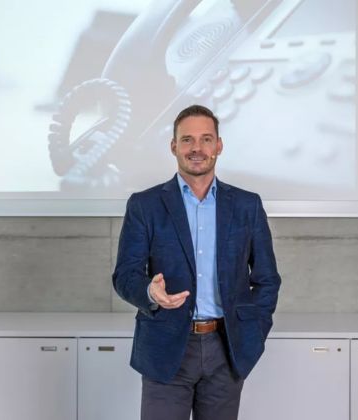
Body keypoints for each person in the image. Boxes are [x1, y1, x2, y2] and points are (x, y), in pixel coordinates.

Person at [113, 104, 281, 420]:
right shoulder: (145, 205)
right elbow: (125, 275)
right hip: (165, 347)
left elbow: (267, 278)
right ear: (173, 146)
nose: (197, 148)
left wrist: (254, 331)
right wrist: (150, 292)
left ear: (219, 145)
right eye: (187, 140)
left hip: (226, 348)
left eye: (206, 139)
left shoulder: (246, 205)